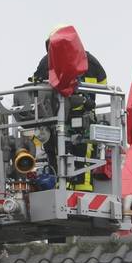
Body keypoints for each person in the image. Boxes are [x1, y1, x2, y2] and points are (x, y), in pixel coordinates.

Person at [29, 24, 107, 191]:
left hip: (57, 119)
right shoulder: (90, 61)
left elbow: (34, 91)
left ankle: (64, 186)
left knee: (57, 154)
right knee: (83, 155)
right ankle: (80, 189)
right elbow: (103, 84)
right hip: (77, 118)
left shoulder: (47, 61)